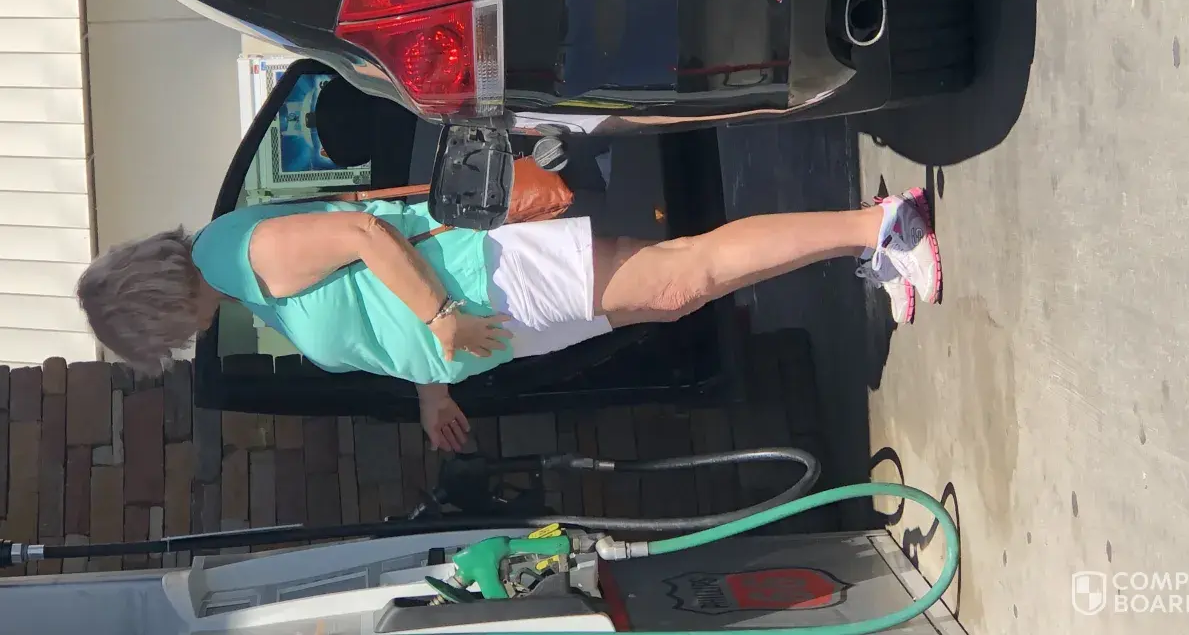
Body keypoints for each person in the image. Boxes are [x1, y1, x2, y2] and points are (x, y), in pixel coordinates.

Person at [75, 191, 940, 452]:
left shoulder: (233, 258)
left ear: (155, 306)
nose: (183, 344)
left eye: (164, 337)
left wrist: (442, 317)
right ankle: (866, 236)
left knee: (681, 277)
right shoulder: (241, 283)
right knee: (678, 288)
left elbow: (363, 235)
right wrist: (431, 383)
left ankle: (880, 225)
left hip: (485, 279)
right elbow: (366, 299)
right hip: (491, 313)